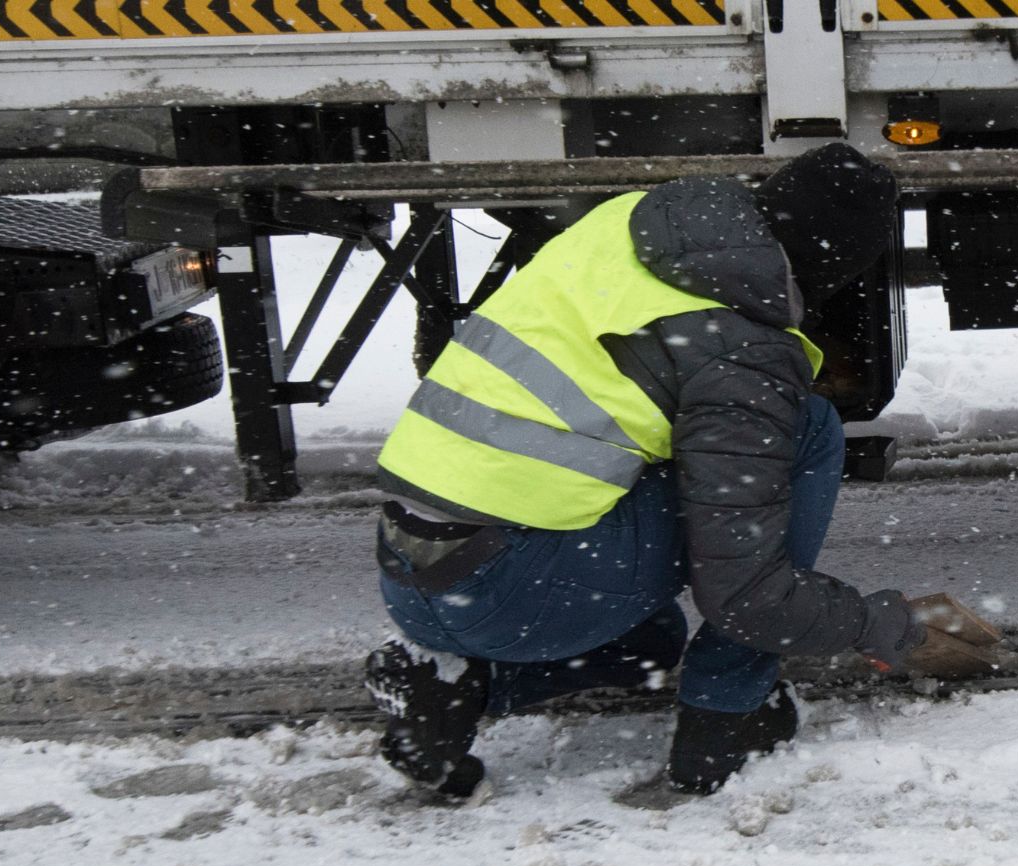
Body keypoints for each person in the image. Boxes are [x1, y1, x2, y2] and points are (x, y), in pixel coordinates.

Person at [362, 143, 932, 799]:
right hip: (514, 588)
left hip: (414, 574)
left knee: (653, 640)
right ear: (832, 268)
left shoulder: (630, 224)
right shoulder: (741, 348)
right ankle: (730, 710)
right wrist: (867, 623)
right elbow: (747, 597)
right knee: (807, 432)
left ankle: (449, 689)